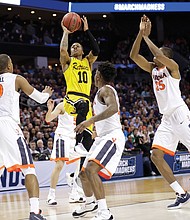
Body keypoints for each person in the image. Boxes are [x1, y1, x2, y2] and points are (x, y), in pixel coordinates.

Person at [130, 15, 190, 209]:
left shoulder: (174, 69)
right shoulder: (153, 69)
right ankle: (181, 193)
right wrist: (141, 33)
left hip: (180, 114)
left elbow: (157, 55)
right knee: (156, 155)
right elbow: (133, 56)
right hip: (167, 119)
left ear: (167, 58)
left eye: (160, 55)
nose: (155, 57)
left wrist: (148, 38)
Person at [0, 54, 53, 219]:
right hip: (8, 126)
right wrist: (46, 94)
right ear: (9, 65)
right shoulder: (16, 78)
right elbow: (38, 97)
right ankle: (35, 212)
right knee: (29, 168)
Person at [72, 61, 125, 220]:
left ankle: (104, 213)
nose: (94, 77)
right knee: (83, 174)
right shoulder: (100, 93)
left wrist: (89, 121)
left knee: (91, 170)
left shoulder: (106, 90)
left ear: (98, 75)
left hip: (112, 136)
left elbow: (113, 108)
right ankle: (89, 204)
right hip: (102, 137)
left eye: (95, 74)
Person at [60, 15, 100, 154]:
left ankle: (81, 173)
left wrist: (87, 31)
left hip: (86, 100)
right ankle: (77, 142)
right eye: (73, 46)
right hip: (72, 99)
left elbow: (96, 50)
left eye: (77, 46)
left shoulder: (87, 62)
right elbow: (62, 51)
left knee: (88, 141)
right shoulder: (68, 62)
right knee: (82, 105)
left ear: (83, 51)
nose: (74, 47)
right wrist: (65, 33)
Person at [45, 99, 85, 205]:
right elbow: (48, 119)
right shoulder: (63, 105)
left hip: (74, 139)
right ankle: (51, 195)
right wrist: (50, 109)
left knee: (79, 165)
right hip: (63, 137)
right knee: (59, 165)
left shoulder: (81, 106)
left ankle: (74, 193)